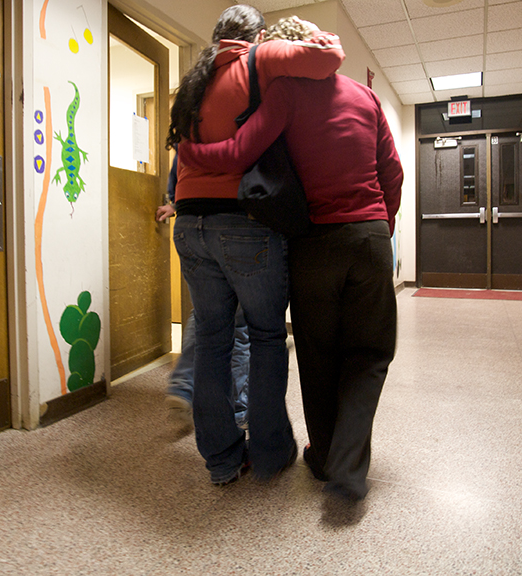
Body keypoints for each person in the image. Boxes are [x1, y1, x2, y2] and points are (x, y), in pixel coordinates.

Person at [177, 16, 403, 500]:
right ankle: (344, 462)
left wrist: (189, 154)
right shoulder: (365, 97)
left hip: (312, 245)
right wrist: (380, 228)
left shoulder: (282, 96)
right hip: (367, 238)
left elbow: (241, 152)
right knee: (368, 355)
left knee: (314, 357)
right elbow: (394, 174)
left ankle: (321, 457)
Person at [167, 6, 345, 485]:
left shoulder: (192, 81)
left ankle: (222, 462)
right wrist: (302, 37)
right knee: (266, 337)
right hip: (243, 223)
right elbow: (330, 57)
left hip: (189, 226)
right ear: (257, 36)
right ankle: (268, 454)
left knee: (211, 341)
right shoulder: (257, 60)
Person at [157, 150, 249, 432]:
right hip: (239, 222)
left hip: (190, 223)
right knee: (241, 325)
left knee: (206, 316)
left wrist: (176, 202)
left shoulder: (191, 122)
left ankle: (183, 385)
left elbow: (178, 175)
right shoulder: (247, 116)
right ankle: (238, 408)